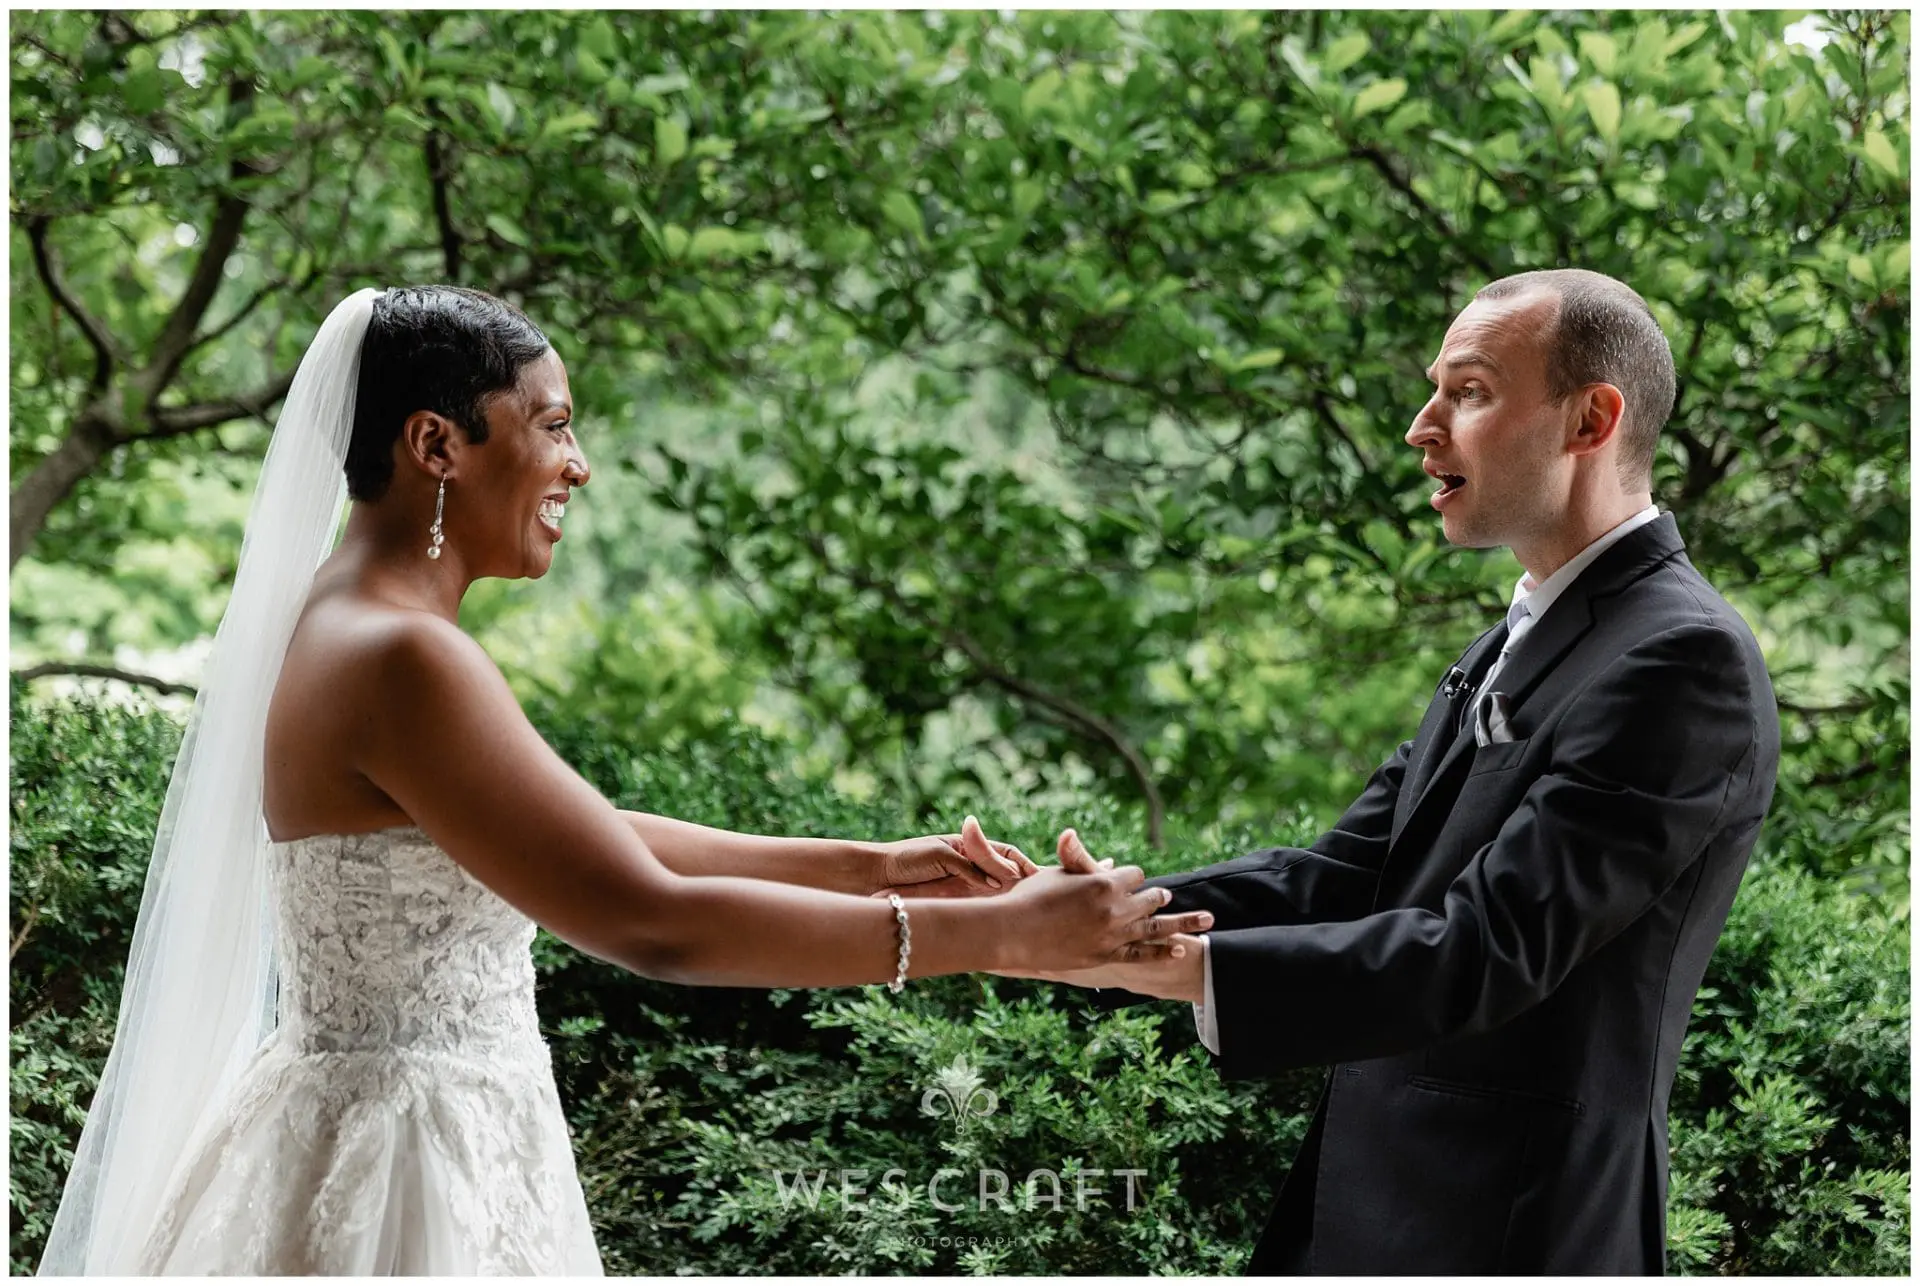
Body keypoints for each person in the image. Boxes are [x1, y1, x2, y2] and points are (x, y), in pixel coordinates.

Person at [38, 285, 1214, 1276]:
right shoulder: (401, 653)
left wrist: (869, 865)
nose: (579, 464)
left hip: (375, 1127)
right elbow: (652, 922)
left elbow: (571, 832)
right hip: (410, 1173)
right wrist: (1000, 936)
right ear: (437, 443)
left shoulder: (348, 624)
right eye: (550, 425)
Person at [1010, 269, 1781, 1273]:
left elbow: (1483, 951)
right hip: (1365, 1216)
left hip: (1513, 1233)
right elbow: (1346, 879)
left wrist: (1146, 962)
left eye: (1468, 392)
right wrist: (1079, 911)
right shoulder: (1509, 640)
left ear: (1591, 418)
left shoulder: (1684, 659)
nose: (1422, 428)